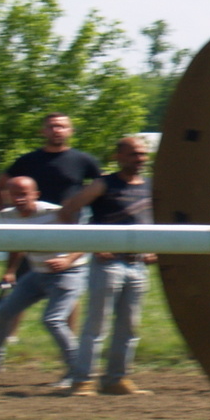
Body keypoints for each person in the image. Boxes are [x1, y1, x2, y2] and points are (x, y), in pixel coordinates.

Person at [0, 176, 89, 389]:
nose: (18, 199)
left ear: (35, 195)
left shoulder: (55, 213)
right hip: (37, 273)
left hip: (69, 273)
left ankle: (78, 371)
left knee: (53, 320)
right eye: (13, 194)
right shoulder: (7, 216)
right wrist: (10, 271)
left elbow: (86, 240)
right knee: (3, 313)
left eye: (23, 194)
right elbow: (17, 243)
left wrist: (67, 260)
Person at [57, 136, 155, 397]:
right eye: (134, 154)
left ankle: (116, 379)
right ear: (119, 156)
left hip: (138, 265)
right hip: (109, 264)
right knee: (96, 326)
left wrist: (155, 249)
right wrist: (89, 242)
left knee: (129, 326)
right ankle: (83, 380)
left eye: (143, 154)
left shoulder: (151, 187)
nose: (140, 159)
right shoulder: (103, 184)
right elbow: (69, 209)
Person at [2, 113, 101, 206]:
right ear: (42, 132)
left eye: (61, 127)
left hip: (71, 219)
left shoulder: (83, 159)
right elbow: (0, 185)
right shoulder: (28, 160)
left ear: (71, 131)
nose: (56, 130)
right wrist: (3, 212)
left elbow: (104, 185)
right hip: (36, 219)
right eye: (51, 127)